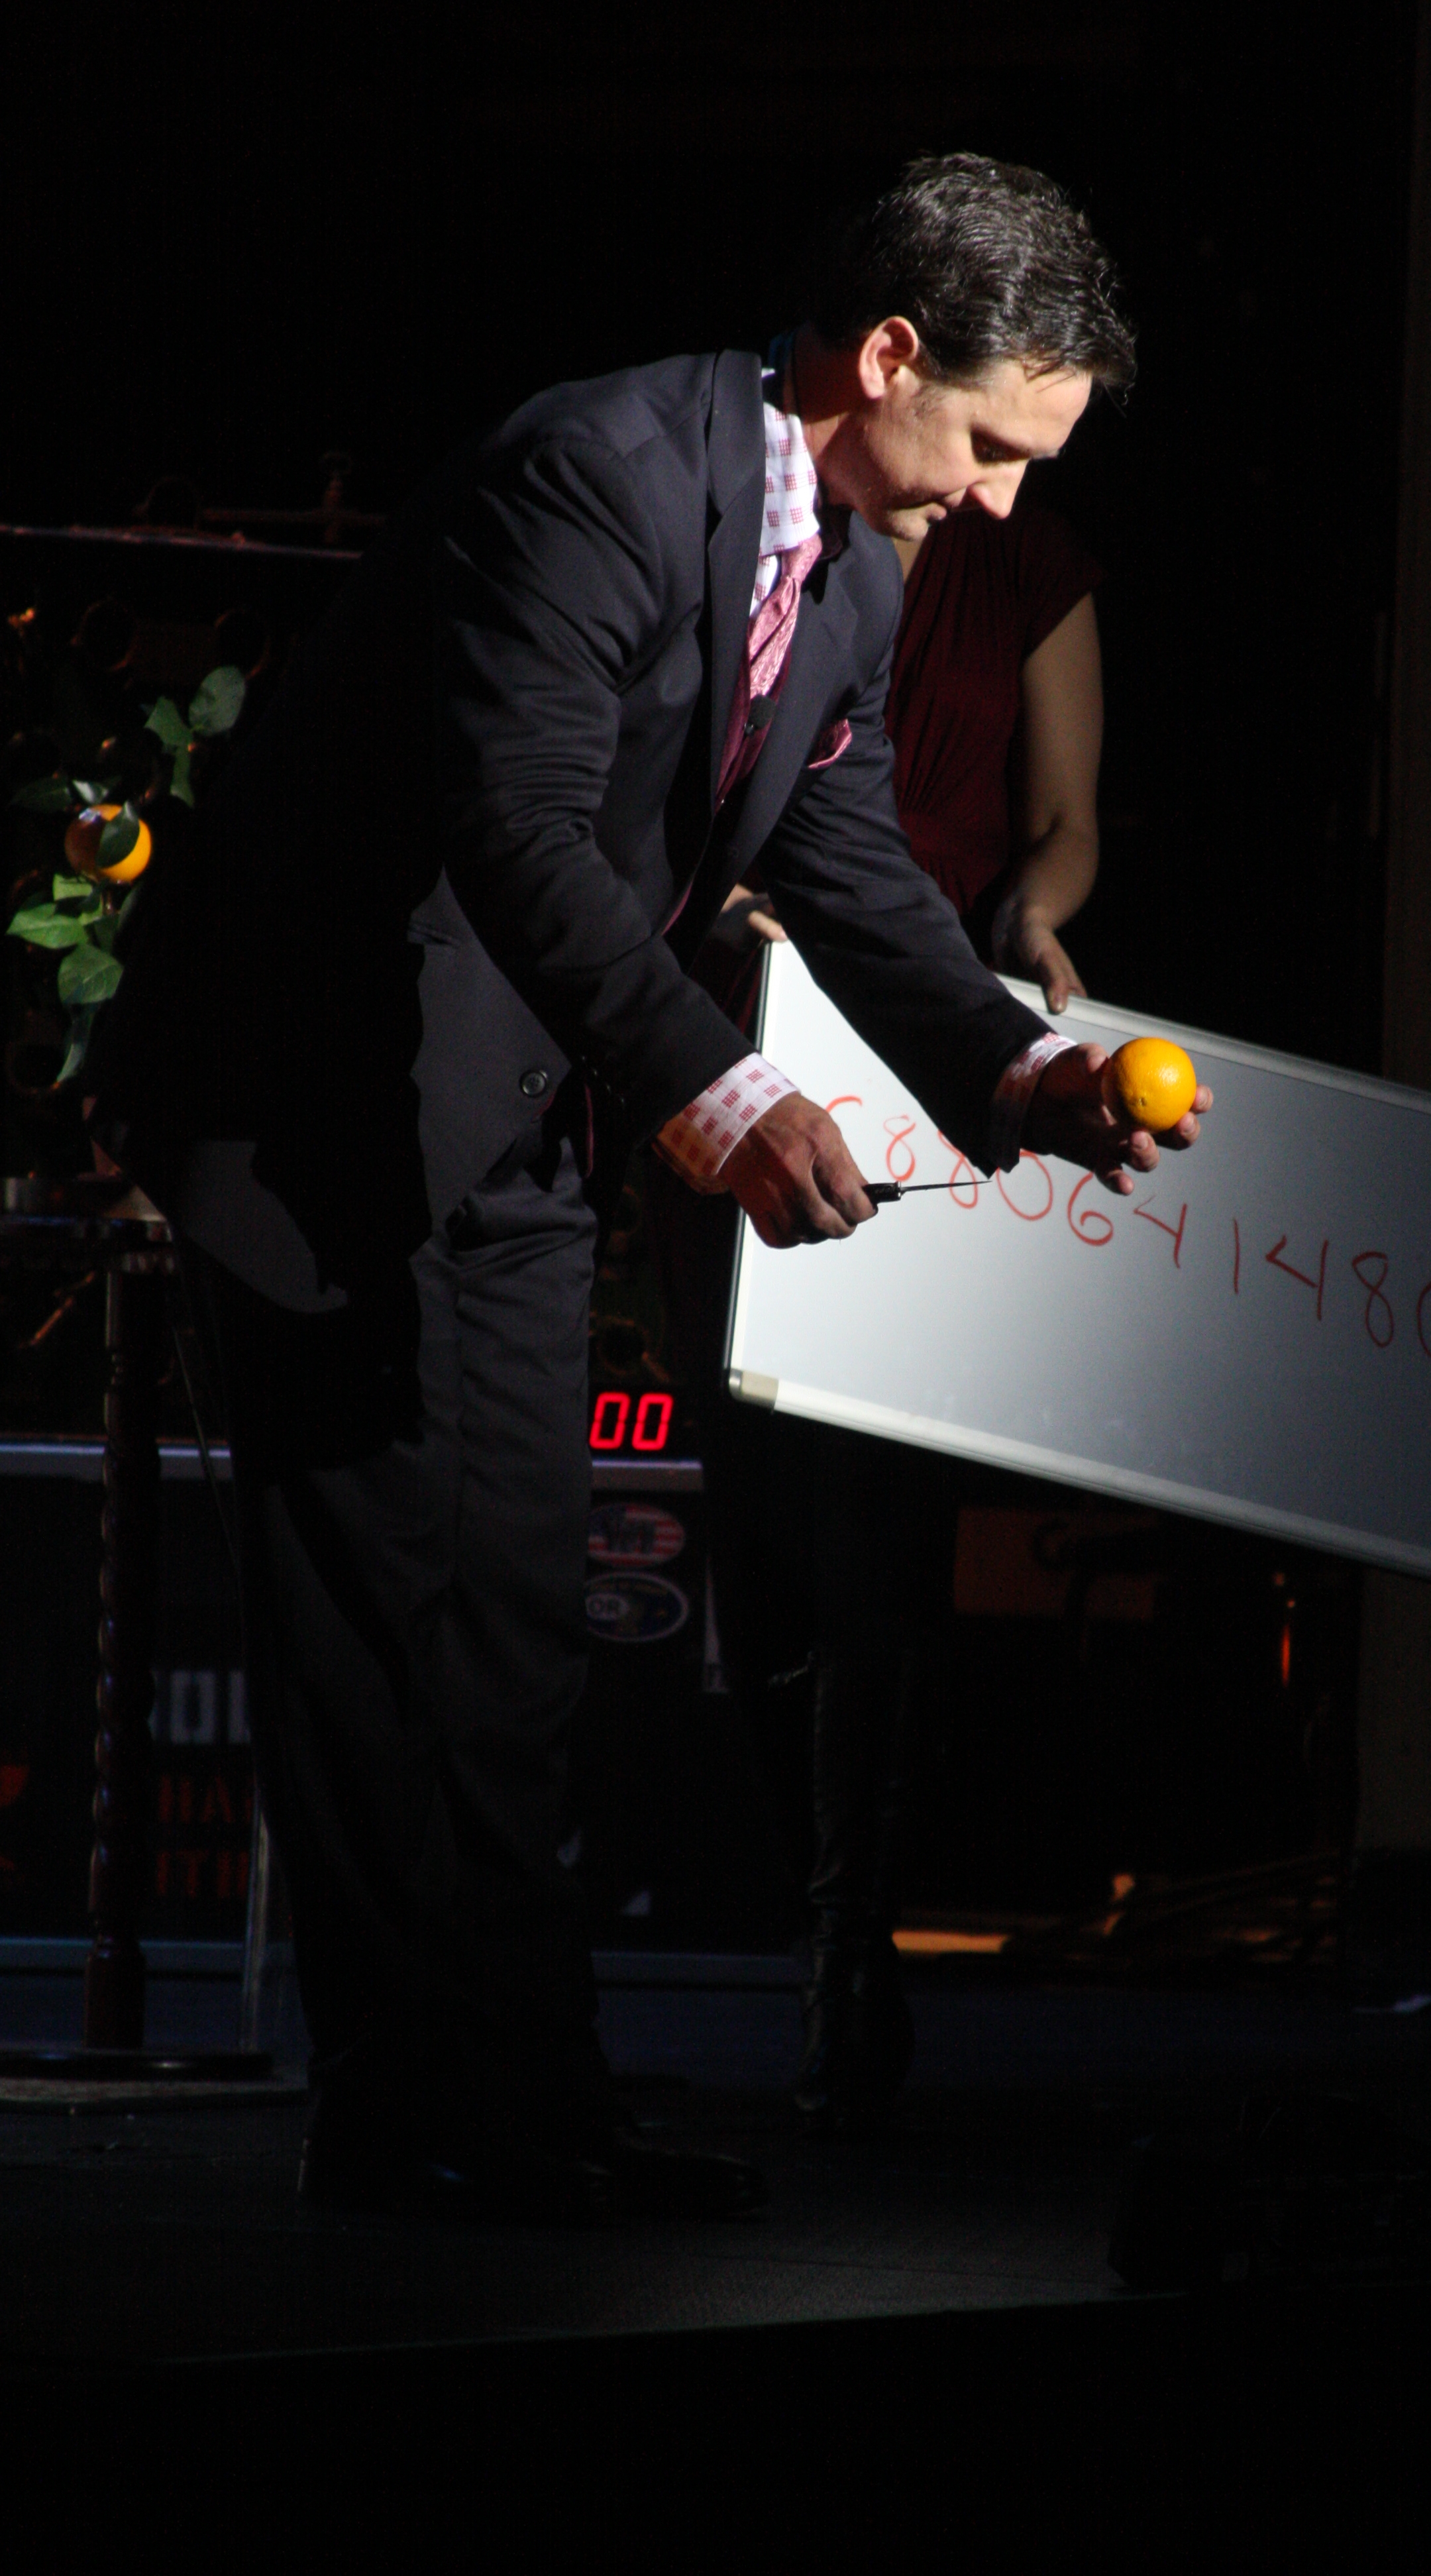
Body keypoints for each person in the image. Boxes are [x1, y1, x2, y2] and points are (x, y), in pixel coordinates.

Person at [95, 154, 1209, 2224]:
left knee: (512, 1633)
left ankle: (523, 2102)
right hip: (314, 1095)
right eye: (985, 443)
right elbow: (517, 835)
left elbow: (851, 862)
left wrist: (1019, 1064)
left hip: (510, 1102)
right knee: (375, 1634)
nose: (992, 503)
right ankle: (395, 2113)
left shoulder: (861, 572)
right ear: (889, 353)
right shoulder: (596, 473)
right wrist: (716, 1095)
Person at [692, 496, 1108, 2132]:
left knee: (879, 1533)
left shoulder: (1031, 567)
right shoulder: (787, 529)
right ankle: (816, 1907)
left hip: (935, 1041)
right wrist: (730, 910)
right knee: (759, 1544)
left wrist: (1036, 916)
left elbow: (1067, 817)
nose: (1002, 474)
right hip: (749, 1035)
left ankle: (848, 1949)